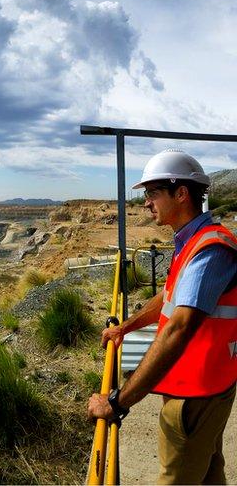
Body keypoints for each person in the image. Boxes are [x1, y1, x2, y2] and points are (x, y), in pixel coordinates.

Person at [87, 149, 237, 485]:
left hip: (196, 395)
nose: (146, 203)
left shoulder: (209, 250)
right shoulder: (193, 241)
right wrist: (126, 327)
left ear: (181, 193)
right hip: (204, 385)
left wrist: (117, 402)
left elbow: (178, 329)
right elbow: (169, 296)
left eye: (153, 193)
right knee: (210, 472)